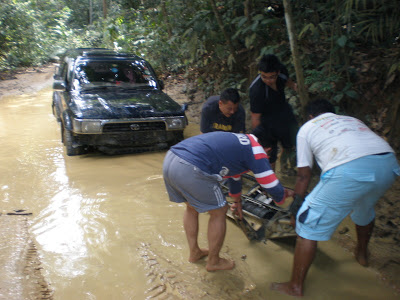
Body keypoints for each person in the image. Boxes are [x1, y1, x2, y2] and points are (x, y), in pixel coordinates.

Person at [271, 99, 400, 297]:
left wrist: (296, 208)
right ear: (333, 113)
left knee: (308, 221)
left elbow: (304, 175)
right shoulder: (351, 120)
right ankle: (362, 255)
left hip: (350, 168)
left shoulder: (308, 127)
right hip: (388, 164)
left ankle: (295, 286)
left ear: (310, 116)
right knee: (364, 207)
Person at [163, 131, 294, 271]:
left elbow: (234, 175)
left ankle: (195, 252)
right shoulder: (257, 150)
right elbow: (271, 185)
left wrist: (237, 202)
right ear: (268, 149)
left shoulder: (240, 142)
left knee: (191, 207)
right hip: (191, 166)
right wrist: (284, 195)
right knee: (219, 211)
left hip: (171, 160)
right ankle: (214, 262)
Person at [249, 54, 298, 171]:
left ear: (278, 72)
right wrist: (258, 140)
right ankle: (270, 183)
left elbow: (288, 81)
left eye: (271, 77)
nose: (268, 80)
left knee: (291, 144)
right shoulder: (256, 90)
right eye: (264, 76)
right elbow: (255, 117)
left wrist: (295, 86)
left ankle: (286, 167)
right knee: (269, 155)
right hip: (266, 122)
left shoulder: (282, 73)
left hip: (284, 113)